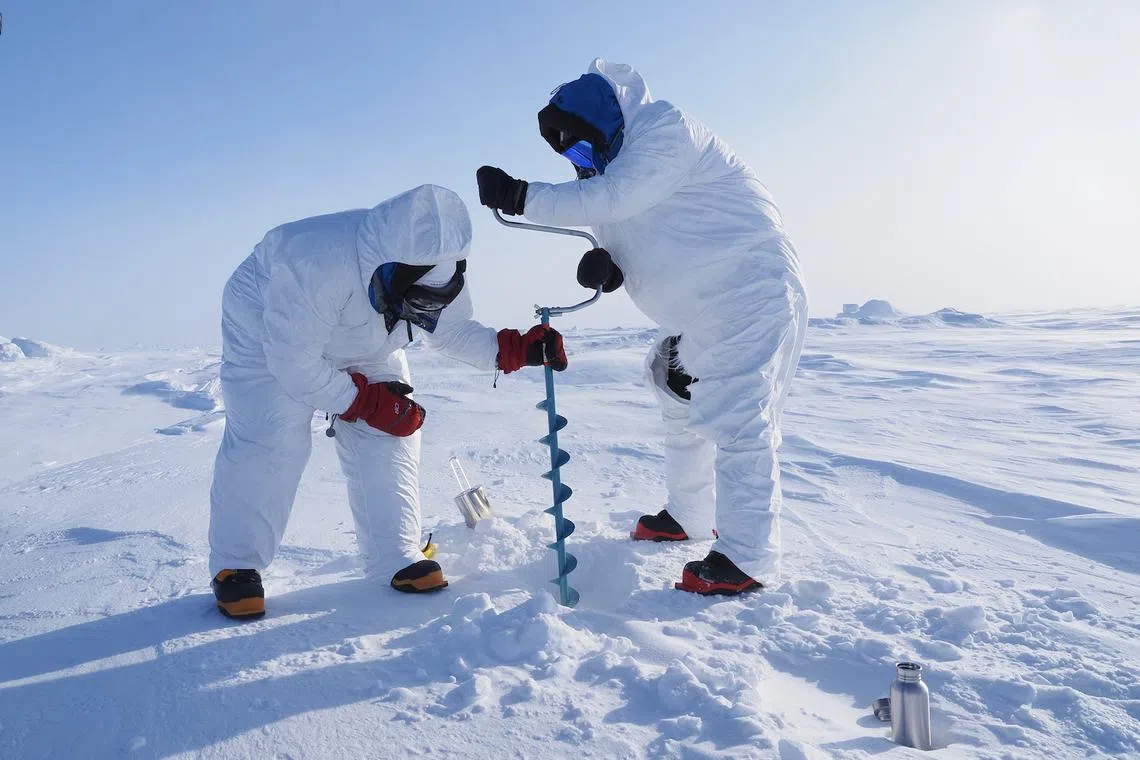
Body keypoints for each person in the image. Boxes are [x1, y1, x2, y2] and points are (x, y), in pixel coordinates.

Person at [476, 59, 807, 596]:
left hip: (747, 291)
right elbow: (630, 223)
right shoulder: (609, 170)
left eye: (580, 145)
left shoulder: (666, 132)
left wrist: (522, 197)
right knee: (671, 388)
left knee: (738, 415)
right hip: (696, 310)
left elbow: (615, 200)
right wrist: (613, 270)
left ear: (602, 122)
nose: (577, 159)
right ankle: (688, 514)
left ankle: (746, 555)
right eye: (568, 152)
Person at [208, 184, 567, 618]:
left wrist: (511, 350)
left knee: (394, 432)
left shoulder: (437, 267)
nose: (425, 308)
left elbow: (449, 330)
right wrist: (363, 401)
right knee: (272, 437)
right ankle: (238, 567)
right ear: (389, 270)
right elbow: (294, 364)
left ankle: (395, 556)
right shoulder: (314, 263)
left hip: (367, 336)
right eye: (416, 300)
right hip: (267, 330)